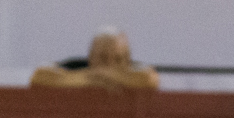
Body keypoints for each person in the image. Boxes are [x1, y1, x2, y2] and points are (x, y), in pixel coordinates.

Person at [30, 30, 159, 90]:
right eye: (102, 58)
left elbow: (148, 78)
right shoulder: (77, 65)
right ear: (91, 57)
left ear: (127, 59)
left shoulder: (134, 68)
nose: (110, 65)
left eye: (118, 59)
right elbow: (39, 74)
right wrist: (89, 78)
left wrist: (103, 75)